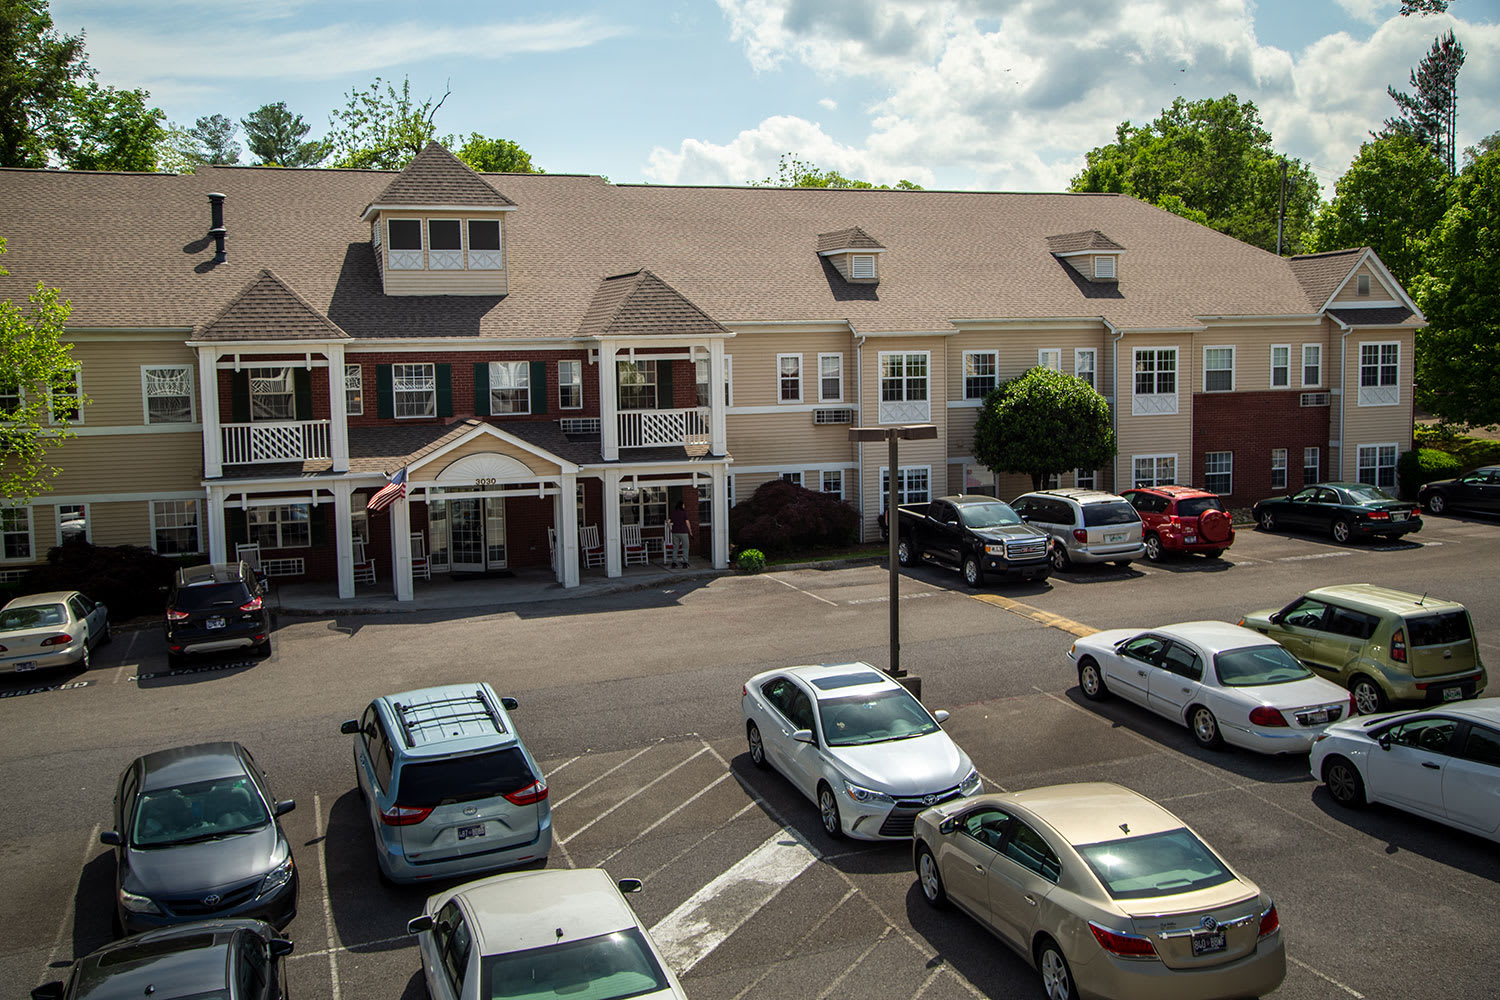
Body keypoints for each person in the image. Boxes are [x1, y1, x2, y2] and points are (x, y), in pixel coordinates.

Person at [668, 500, 694, 568]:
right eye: (683, 505)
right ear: (681, 505)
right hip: (683, 532)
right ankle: (685, 563)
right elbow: (687, 522)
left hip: (675, 532)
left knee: (675, 547)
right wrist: (690, 531)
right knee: (685, 547)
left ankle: (674, 563)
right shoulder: (684, 513)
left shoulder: (673, 513)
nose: (684, 506)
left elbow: (668, 522)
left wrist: (670, 529)